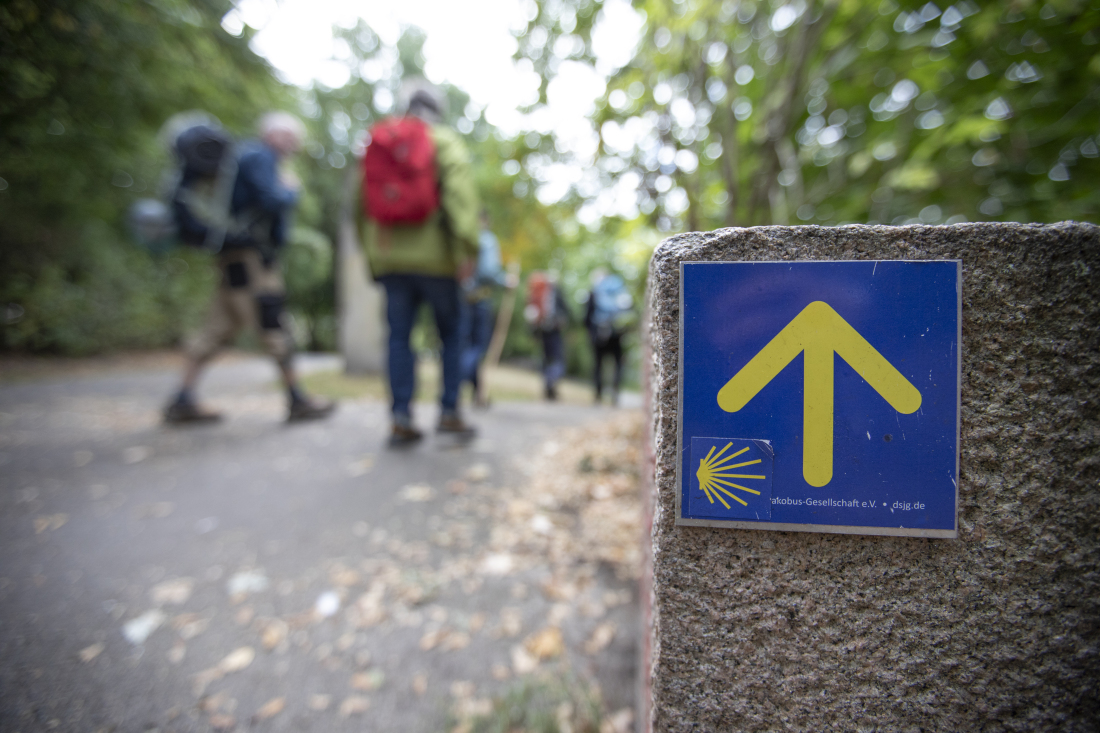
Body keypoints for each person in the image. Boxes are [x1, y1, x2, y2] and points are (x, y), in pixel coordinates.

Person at [163, 112, 335, 424]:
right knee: (273, 324)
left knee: (216, 328)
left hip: (231, 258)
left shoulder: (241, 159)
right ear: (270, 133)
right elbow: (271, 200)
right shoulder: (260, 156)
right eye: (289, 135)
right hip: (252, 261)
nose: (294, 143)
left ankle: (182, 398)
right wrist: (290, 190)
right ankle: (297, 399)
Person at [359, 84, 481, 445]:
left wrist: (374, 256)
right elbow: (460, 197)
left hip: (393, 260)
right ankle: (449, 411)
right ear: (437, 111)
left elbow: (359, 205)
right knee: (452, 335)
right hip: (438, 261)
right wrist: (468, 250)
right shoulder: (444, 141)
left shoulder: (378, 140)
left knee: (399, 337)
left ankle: (400, 415)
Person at [459, 210, 507, 407]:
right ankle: (459, 377)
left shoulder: (461, 236)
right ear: (485, 220)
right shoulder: (486, 240)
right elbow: (489, 271)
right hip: (479, 299)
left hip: (460, 298)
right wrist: (505, 281)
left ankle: (478, 394)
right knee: (478, 347)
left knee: (464, 344)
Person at [584, 269, 634, 406]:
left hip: (599, 335)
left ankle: (598, 395)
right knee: (617, 365)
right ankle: (615, 394)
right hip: (616, 336)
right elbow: (629, 313)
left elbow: (587, 316)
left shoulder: (594, 293)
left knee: (598, 365)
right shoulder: (619, 292)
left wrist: (590, 333)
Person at [525, 271, 571, 401]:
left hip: (541, 329)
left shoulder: (535, 291)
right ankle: (551, 381)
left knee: (546, 358)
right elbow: (566, 309)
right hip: (554, 329)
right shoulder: (555, 291)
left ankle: (548, 385)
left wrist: (533, 330)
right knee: (557, 358)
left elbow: (530, 311)